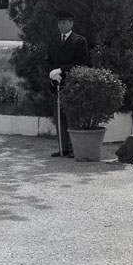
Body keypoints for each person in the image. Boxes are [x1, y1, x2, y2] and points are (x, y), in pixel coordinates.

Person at [46, 9, 88, 157]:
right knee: (59, 117)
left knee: (72, 117)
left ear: (71, 23)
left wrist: (61, 71)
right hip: (56, 84)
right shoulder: (54, 42)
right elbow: (47, 61)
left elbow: (81, 63)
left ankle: (73, 148)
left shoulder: (79, 41)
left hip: (71, 84)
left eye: (64, 22)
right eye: (59, 23)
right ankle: (63, 147)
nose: (61, 25)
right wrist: (52, 73)